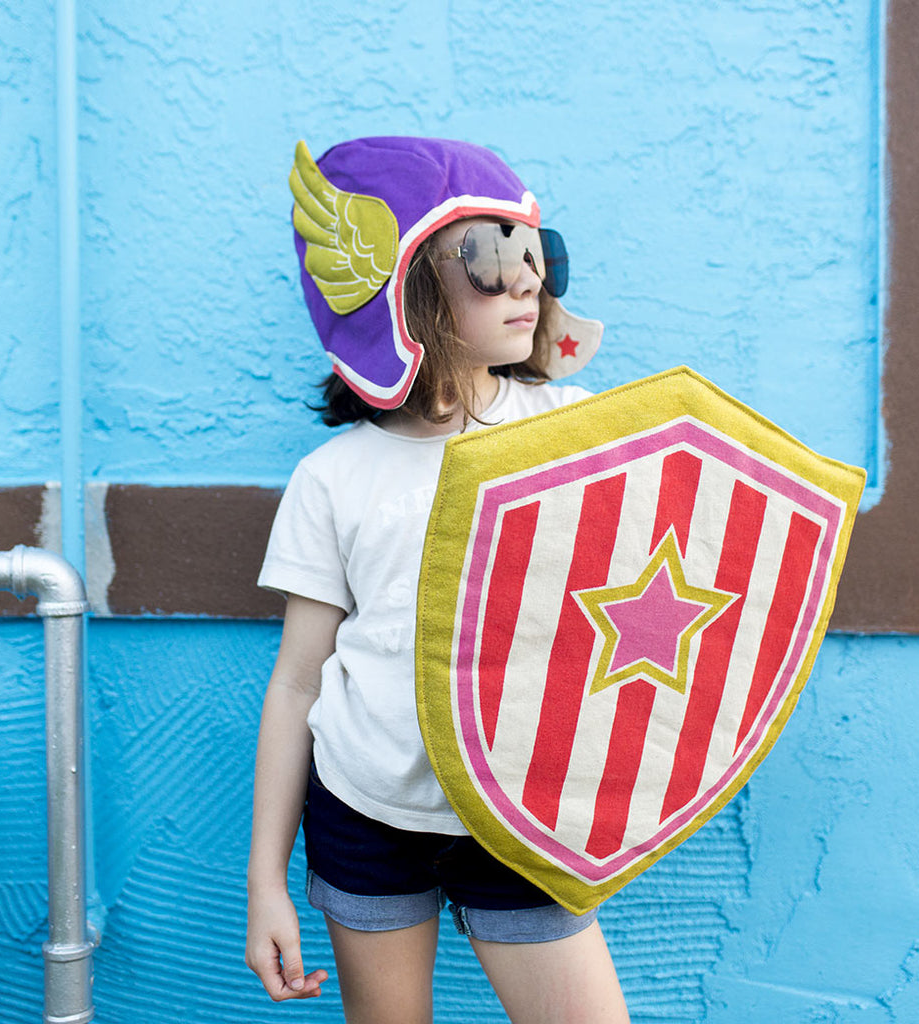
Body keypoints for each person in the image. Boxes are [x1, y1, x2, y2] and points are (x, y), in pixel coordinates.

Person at [245, 136, 630, 1024]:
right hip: (365, 812)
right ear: (405, 286)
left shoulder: (580, 435)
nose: (528, 282)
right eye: (491, 258)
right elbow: (299, 681)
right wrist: (266, 880)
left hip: (518, 810)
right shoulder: (333, 478)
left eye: (535, 252)